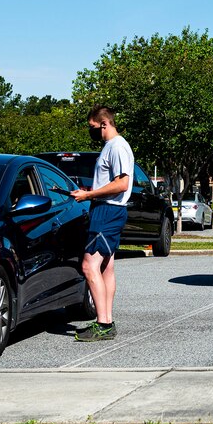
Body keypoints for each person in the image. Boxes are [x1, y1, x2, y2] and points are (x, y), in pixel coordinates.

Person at [70, 106, 134, 342]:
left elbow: (122, 184)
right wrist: (91, 192)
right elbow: (111, 184)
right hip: (106, 208)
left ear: (104, 123)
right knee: (106, 266)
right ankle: (106, 320)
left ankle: (103, 323)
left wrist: (89, 195)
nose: (91, 131)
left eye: (92, 127)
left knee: (89, 265)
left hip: (108, 212)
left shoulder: (117, 147)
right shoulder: (111, 147)